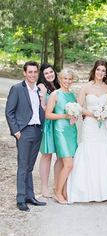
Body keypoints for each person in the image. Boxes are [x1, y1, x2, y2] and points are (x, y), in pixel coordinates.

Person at [67, 60, 107, 203]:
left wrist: (104, 114)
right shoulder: (86, 87)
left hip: (103, 124)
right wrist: (92, 114)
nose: (100, 73)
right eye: (98, 70)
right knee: (89, 151)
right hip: (90, 124)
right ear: (94, 70)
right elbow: (79, 106)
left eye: (103, 70)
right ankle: (86, 191)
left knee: (104, 151)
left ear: (106, 73)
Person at [5, 61, 46, 211]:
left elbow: (40, 112)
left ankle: (30, 196)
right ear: (24, 73)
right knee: (23, 166)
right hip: (24, 132)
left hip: (37, 131)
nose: (33, 75)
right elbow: (9, 112)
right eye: (30, 72)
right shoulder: (17, 89)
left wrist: (42, 102)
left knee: (30, 167)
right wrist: (16, 132)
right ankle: (21, 198)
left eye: (35, 72)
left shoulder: (38, 91)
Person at [46, 69, 78, 204]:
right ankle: (58, 193)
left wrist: (74, 117)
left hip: (71, 131)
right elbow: (48, 114)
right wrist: (65, 116)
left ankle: (63, 190)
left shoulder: (72, 95)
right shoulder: (55, 94)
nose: (67, 81)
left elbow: (76, 113)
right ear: (60, 79)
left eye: (70, 79)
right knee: (69, 164)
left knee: (63, 162)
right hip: (60, 131)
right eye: (65, 78)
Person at [37, 63, 61, 198]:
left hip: (59, 124)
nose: (49, 75)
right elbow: (43, 107)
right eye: (46, 73)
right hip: (48, 124)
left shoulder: (57, 86)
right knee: (47, 155)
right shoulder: (42, 87)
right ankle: (44, 187)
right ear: (43, 75)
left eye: (51, 72)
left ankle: (57, 185)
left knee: (60, 156)